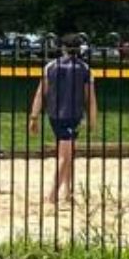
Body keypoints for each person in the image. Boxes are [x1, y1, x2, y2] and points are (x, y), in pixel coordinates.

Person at [28, 34, 98, 204]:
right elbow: (90, 97)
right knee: (65, 156)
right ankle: (53, 194)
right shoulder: (84, 68)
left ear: (63, 48)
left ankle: (68, 191)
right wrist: (93, 119)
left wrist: (34, 116)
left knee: (67, 153)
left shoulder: (51, 66)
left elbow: (40, 93)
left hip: (54, 115)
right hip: (73, 116)